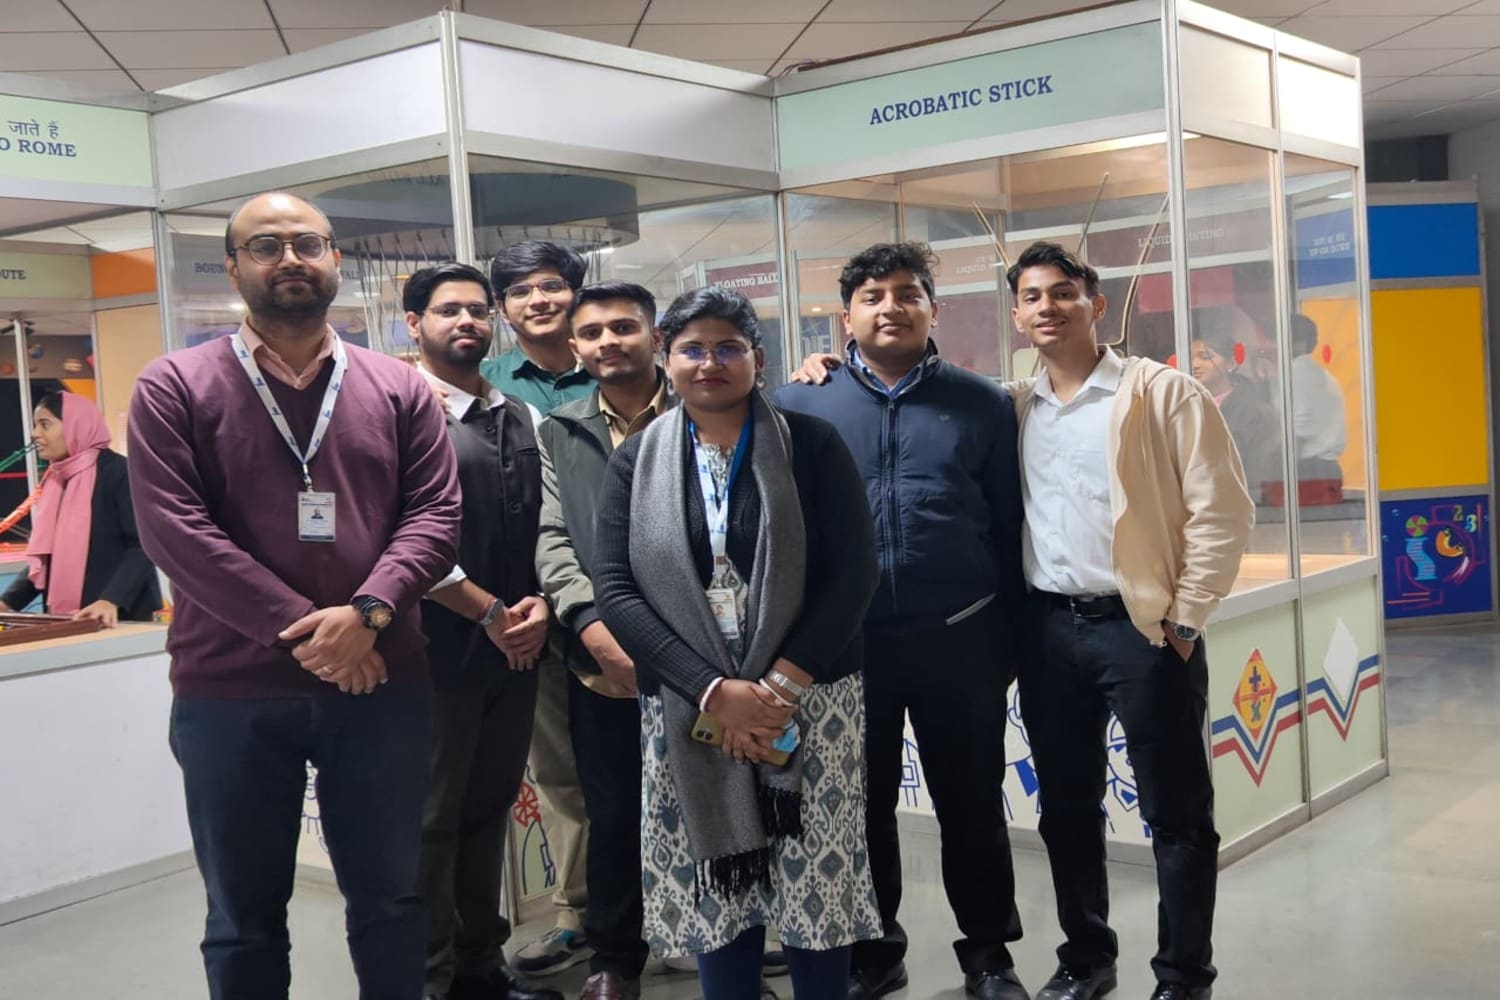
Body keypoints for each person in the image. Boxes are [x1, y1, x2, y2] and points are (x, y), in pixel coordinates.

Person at [127, 191, 462, 1000]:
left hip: (383, 683)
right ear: (233, 267)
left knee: (391, 900)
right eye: (266, 245)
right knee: (242, 915)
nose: (290, 260)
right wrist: (315, 632)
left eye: (307, 244)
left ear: (335, 260)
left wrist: (369, 615)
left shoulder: (399, 387)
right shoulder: (174, 385)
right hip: (230, 689)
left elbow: (436, 517)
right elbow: (175, 532)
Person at [592, 286, 880, 1000]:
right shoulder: (637, 460)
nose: (710, 363)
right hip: (691, 702)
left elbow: (853, 574)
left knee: (816, 873)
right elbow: (616, 589)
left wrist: (778, 688)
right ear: (667, 359)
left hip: (810, 697)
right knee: (717, 883)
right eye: (692, 349)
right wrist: (715, 691)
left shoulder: (812, 445)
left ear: (757, 357)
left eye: (728, 347)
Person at [777, 242, 1029, 1000]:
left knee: (971, 802)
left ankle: (988, 955)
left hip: (961, 633)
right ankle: (874, 950)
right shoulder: (801, 403)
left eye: (908, 293)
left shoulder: (982, 401)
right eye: (873, 295)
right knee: (860, 804)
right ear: (845, 316)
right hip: (847, 643)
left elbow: (1009, 524)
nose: (891, 307)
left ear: (933, 309)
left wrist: (1008, 639)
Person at [1004, 241, 1253, 1000]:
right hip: (1048, 632)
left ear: (1096, 304)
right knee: (1067, 810)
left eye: (1063, 292)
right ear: (1016, 316)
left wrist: (1187, 618)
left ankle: (1183, 975)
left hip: (1143, 632)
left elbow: (1221, 509)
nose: (1048, 306)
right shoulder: (1015, 406)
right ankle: (1087, 958)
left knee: (1177, 815)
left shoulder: (1161, 393)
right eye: (1031, 296)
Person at [404, 262, 560, 1000]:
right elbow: (398, 536)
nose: (466, 322)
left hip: (517, 648)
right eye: (447, 310)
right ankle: (429, 979)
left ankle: (480, 968)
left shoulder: (520, 415)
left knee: (489, 807)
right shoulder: (401, 409)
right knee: (431, 819)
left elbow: (549, 525)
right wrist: (490, 612)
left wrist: (540, 608)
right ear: (414, 324)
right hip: (432, 649)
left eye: (476, 310)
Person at [533, 281, 672, 1000]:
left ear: (655, 334)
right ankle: (616, 958)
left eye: (624, 327)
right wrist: (589, 623)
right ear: (575, 347)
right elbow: (553, 539)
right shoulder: (559, 430)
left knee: (716, 804)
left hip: (707, 656)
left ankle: (715, 942)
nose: (608, 342)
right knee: (614, 811)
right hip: (603, 659)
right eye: (592, 333)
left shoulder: (706, 405)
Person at [480, 240, 596, 977]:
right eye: (520, 291)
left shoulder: (618, 360)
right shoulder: (485, 383)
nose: (538, 300)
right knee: (560, 772)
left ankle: (690, 907)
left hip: (633, 607)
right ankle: (578, 914)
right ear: (503, 309)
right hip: (528, 609)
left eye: (551, 285)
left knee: (672, 760)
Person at [0, 390, 159, 624]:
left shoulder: (120, 473)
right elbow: (45, 561)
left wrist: (110, 600)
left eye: (45, 424)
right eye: (35, 425)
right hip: (66, 621)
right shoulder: (56, 480)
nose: (35, 434)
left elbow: (144, 545)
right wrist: (7, 602)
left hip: (121, 617)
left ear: (76, 426)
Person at [1188, 327, 1280, 499]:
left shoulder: (1256, 414)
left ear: (1231, 363)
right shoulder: (1181, 408)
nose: (1195, 365)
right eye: (1189, 358)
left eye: (1205, 357)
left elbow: (1259, 474)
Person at [1288, 314, 1347, 485]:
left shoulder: (1294, 373)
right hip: (1328, 469)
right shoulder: (1324, 376)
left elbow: (1299, 429)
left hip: (1306, 470)